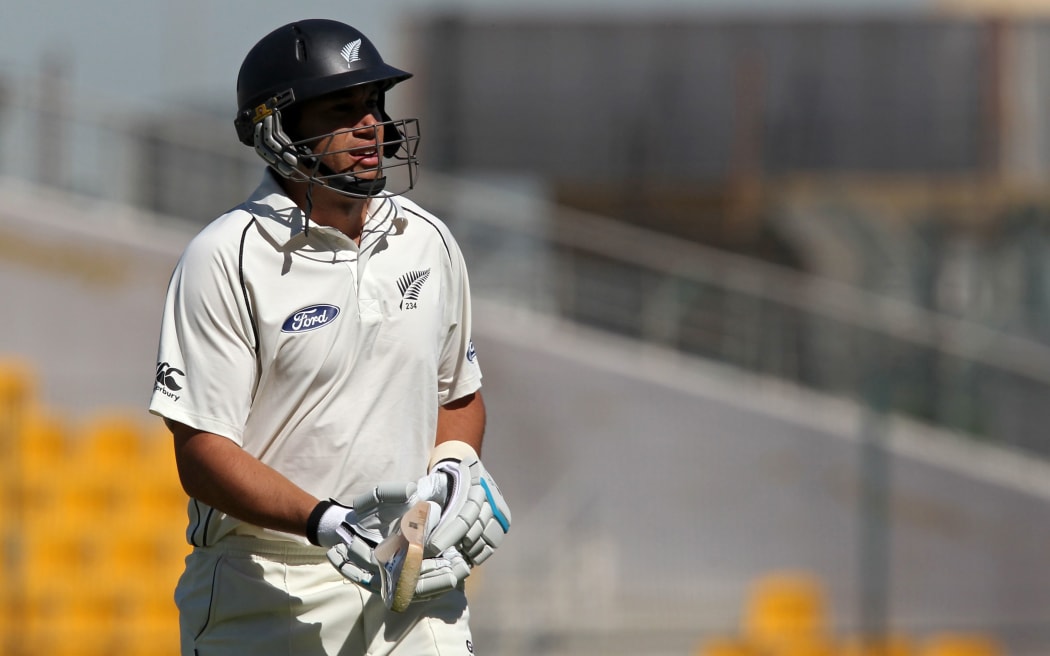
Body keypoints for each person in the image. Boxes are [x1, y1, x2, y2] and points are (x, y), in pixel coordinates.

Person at [148, 18, 510, 656]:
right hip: (268, 585)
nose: (371, 125)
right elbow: (201, 453)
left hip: (410, 576)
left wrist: (455, 470)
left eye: (373, 104)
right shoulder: (226, 256)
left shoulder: (427, 240)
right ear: (277, 130)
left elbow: (457, 395)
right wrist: (328, 522)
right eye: (342, 109)